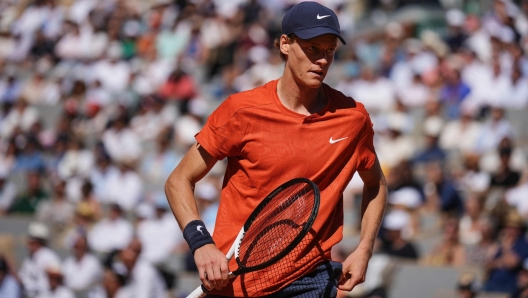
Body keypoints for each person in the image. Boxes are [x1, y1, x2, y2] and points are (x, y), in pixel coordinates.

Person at [165, 2, 388, 297]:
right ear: (285, 43)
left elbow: (376, 185)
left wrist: (364, 248)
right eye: (312, 48)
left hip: (311, 278)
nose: (322, 60)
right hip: (236, 280)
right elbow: (178, 180)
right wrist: (202, 244)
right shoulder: (240, 111)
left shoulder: (353, 119)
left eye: (329, 50)